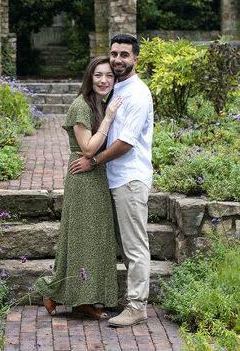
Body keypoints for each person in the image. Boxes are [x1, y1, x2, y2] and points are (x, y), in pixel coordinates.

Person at [69, 34, 154, 327]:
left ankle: (137, 306)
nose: (118, 60)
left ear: (135, 59)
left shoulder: (139, 94)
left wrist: (93, 160)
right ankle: (128, 299)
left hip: (130, 179)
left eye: (124, 55)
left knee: (134, 247)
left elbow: (126, 143)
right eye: (114, 54)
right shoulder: (117, 89)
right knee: (122, 245)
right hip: (113, 179)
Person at [33, 56, 123, 320]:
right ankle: (59, 293)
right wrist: (107, 119)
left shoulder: (99, 103)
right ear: (89, 78)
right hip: (84, 176)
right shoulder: (81, 106)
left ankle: (82, 299)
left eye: (109, 75)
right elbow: (88, 148)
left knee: (95, 239)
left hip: (97, 174)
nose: (104, 80)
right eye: (98, 75)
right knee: (83, 238)